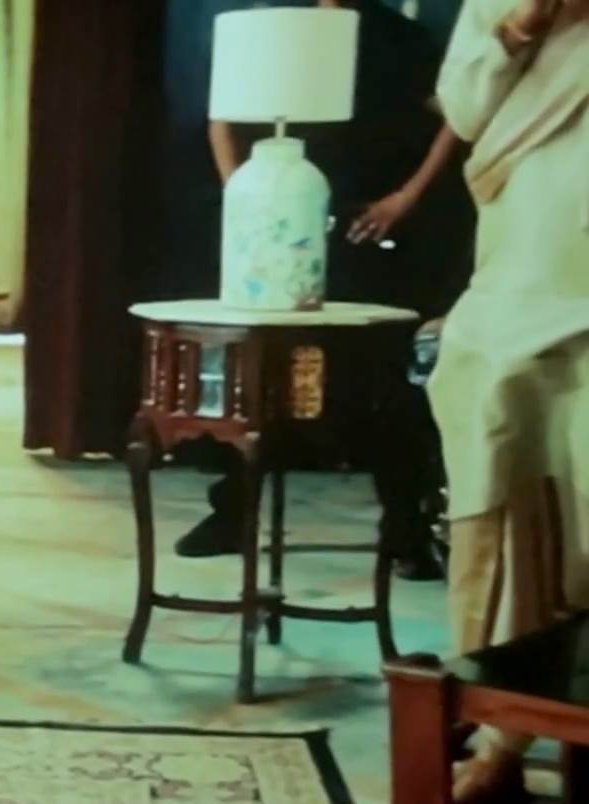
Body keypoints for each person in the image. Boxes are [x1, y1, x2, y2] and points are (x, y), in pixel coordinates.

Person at [186, 0, 472, 580]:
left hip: (375, 227)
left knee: (390, 380)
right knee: (265, 372)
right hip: (288, 226)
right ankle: (233, 511)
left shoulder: (400, 37)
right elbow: (222, 119)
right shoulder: (274, 23)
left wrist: (406, 198)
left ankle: (406, 529)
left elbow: (456, 116)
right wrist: (247, 201)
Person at [425, 0, 588, 799]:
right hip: (527, 263)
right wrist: (520, 28)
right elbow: (463, 109)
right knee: (506, 486)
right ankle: (501, 741)